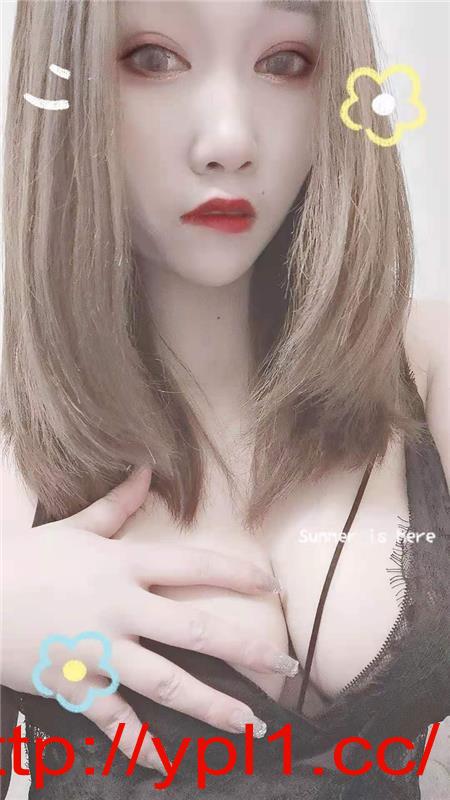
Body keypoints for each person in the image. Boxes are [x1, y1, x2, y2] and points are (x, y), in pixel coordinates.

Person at [1, 1, 449, 798]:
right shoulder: (15, 424)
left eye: (284, 62)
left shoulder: (431, 360)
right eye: (152, 58)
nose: (231, 140)